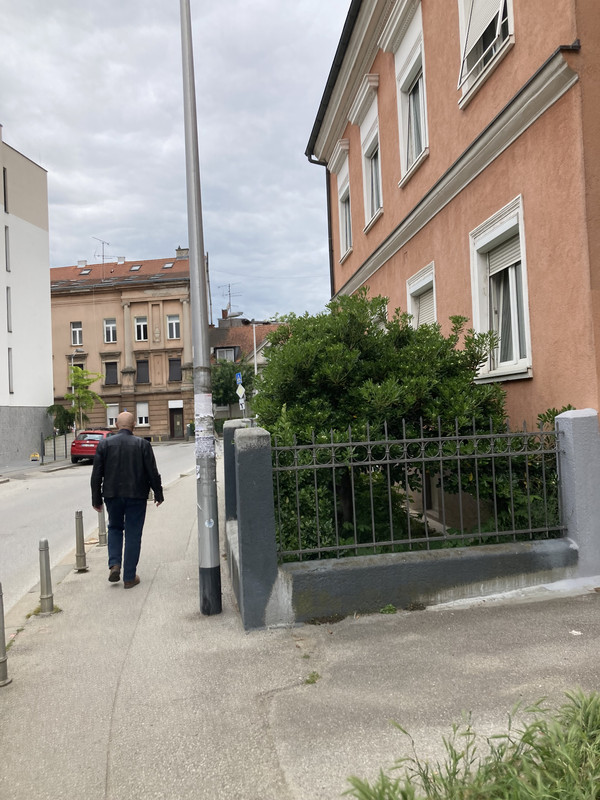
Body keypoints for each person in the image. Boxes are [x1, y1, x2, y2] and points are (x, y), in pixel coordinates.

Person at [91, 411, 164, 589]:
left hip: (112, 495)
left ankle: (115, 564)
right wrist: (158, 494)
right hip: (136, 495)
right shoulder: (143, 444)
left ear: (116, 425)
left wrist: (96, 499)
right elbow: (152, 472)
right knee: (133, 533)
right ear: (134, 425)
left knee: (114, 528)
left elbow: (97, 475)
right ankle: (130, 577)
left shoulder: (104, 444)